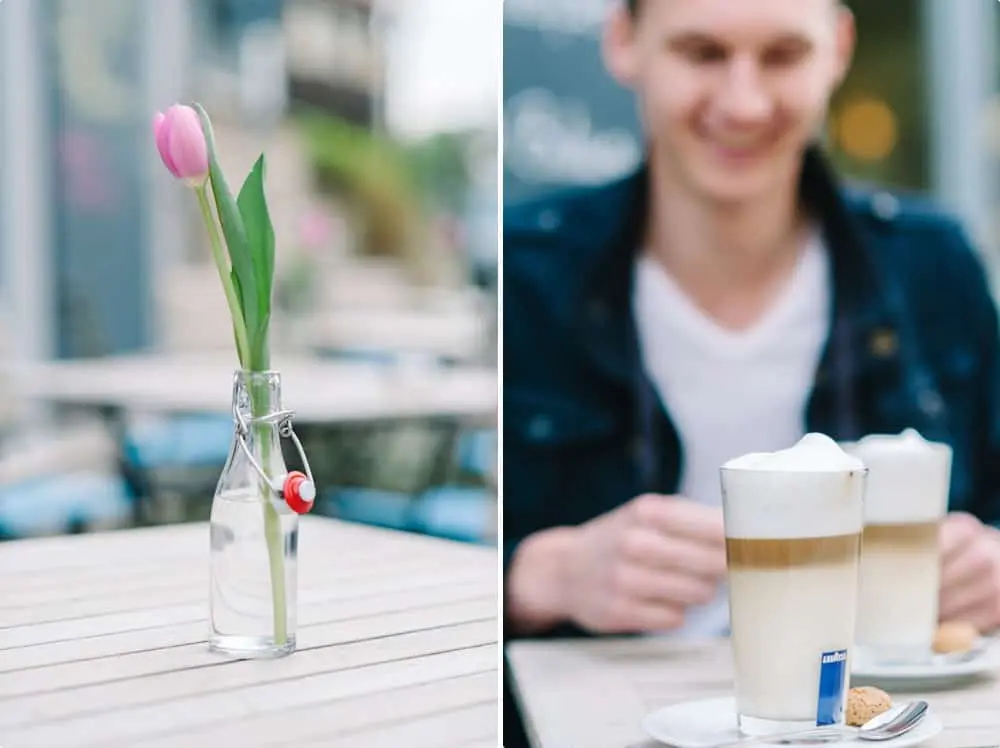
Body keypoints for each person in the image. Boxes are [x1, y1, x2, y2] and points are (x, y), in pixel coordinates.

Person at [503, 0, 1000, 744]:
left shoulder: (934, 264)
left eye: (782, 56)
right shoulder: (524, 274)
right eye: (702, 53)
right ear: (623, 42)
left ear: (837, 51)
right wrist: (535, 577)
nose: (743, 102)